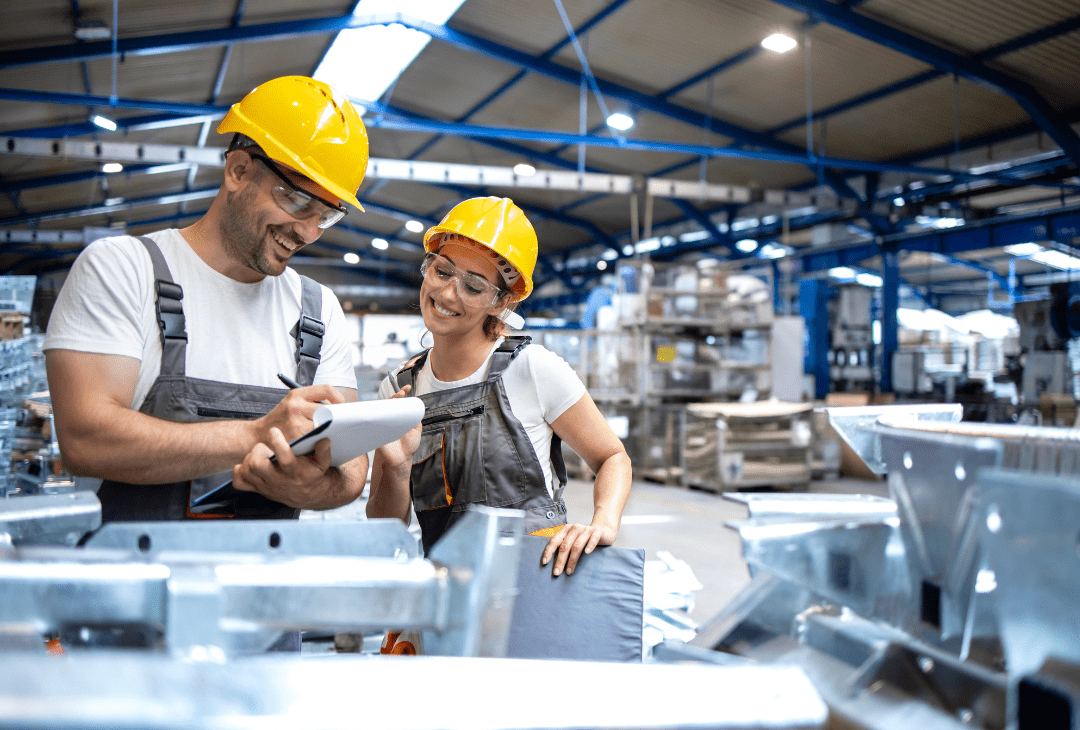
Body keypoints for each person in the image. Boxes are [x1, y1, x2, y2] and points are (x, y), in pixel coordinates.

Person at [44, 75, 370, 523]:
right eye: (296, 201)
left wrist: (315, 488)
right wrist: (253, 436)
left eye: (327, 215)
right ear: (238, 170)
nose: (309, 232)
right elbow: (85, 440)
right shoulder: (124, 268)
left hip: (266, 585)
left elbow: (351, 470)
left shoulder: (317, 309)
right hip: (136, 582)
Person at [366, 196, 632, 578]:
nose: (446, 294)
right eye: (442, 272)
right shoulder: (400, 389)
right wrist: (396, 468)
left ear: (500, 302)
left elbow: (612, 458)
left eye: (473, 286)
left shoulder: (531, 370)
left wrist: (603, 523)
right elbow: (385, 529)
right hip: (452, 600)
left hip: (539, 587)